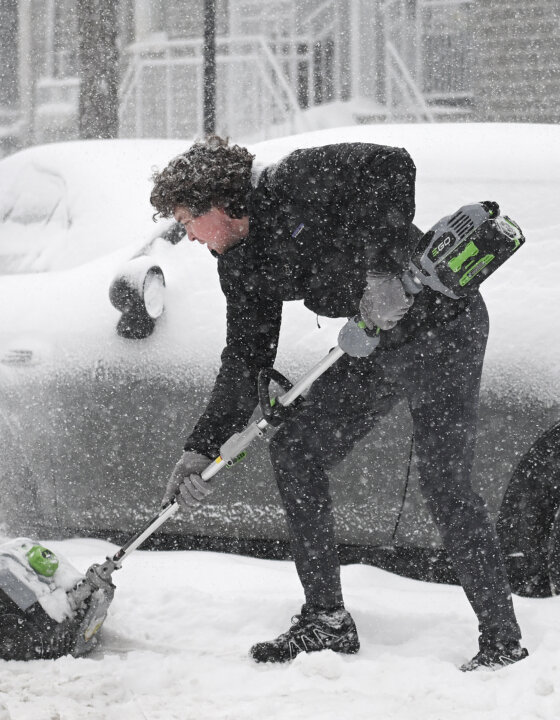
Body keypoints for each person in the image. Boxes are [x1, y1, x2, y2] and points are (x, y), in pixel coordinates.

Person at [151, 136, 527, 671]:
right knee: (297, 448)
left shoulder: (294, 180)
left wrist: (378, 271)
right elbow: (245, 360)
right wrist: (202, 447)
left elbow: (392, 162)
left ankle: (502, 641)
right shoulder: (241, 265)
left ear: (219, 203)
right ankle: (326, 620)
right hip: (375, 340)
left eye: (188, 218)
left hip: (442, 326)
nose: (187, 234)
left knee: (445, 484)